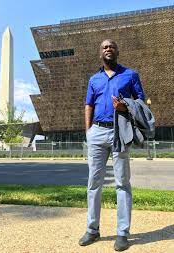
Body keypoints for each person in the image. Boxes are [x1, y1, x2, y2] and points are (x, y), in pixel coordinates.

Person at [79, 39, 145, 251]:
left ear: (117, 51)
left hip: (120, 131)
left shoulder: (130, 75)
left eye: (112, 46)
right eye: (105, 47)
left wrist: (125, 106)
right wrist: (88, 131)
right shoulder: (94, 79)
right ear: (100, 53)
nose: (108, 49)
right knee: (93, 182)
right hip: (97, 132)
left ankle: (123, 232)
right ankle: (92, 229)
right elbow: (88, 105)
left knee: (122, 182)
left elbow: (141, 101)